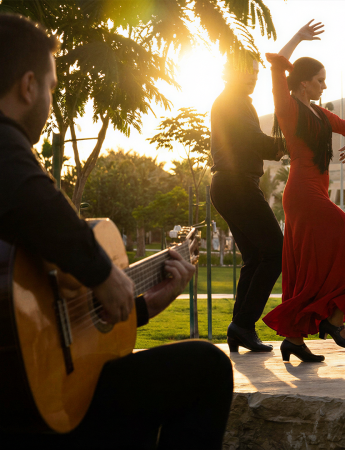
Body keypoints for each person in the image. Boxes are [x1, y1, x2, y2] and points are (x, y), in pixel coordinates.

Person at [0, 13, 233, 449]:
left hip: (30, 393)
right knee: (206, 369)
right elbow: (45, 210)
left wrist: (145, 299)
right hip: (20, 402)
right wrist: (105, 274)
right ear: (28, 86)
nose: (50, 99)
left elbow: (69, 321)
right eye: (50, 88)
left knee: (131, 402)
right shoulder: (8, 151)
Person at [262, 21, 345, 363]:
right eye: (320, 80)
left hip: (315, 194)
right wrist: (298, 37)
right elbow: (278, 63)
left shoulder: (322, 115)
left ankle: (294, 339)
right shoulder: (288, 107)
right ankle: (335, 321)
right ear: (304, 82)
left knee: (305, 267)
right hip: (302, 194)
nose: (324, 85)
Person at [210, 50, 284, 353]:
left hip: (232, 184)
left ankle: (240, 328)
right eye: (248, 71)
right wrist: (290, 141)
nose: (254, 75)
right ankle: (243, 324)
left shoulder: (237, 102)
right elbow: (255, 141)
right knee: (276, 252)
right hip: (236, 184)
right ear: (230, 72)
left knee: (255, 257)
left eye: (256, 71)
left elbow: (253, 140)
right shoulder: (232, 102)